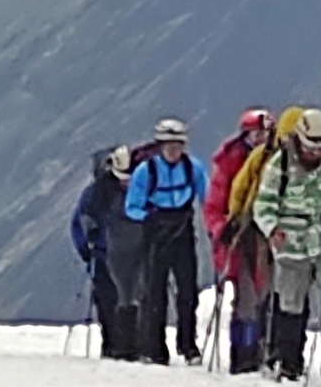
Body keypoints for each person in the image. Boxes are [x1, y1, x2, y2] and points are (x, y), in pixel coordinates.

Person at [251, 108, 321, 377]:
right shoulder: (278, 165)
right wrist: (272, 229)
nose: (316, 152)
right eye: (311, 146)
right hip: (290, 243)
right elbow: (263, 204)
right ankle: (288, 362)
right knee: (290, 303)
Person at [124, 120, 209, 364]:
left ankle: (188, 345)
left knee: (188, 292)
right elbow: (132, 206)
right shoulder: (145, 171)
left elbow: (206, 199)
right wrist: (148, 219)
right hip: (156, 237)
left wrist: (216, 227)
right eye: (169, 145)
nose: (173, 150)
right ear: (160, 146)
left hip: (183, 232)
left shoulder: (194, 169)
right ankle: (155, 349)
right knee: (154, 294)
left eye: (178, 145)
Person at [207, 106, 275, 371]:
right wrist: (222, 228)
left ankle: (258, 351)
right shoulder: (231, 164)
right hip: (240, 240)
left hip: (261, 238)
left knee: (264, 297)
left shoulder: (264, 162)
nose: (259, 140)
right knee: (248, 300)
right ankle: (243, 356)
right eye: (255, 135)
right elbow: (214, 205)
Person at [70, 146, 138, 357]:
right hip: (111, 255)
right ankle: (122, 346)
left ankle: (118, 346)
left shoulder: (93, 194)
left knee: (114, 301)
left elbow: (77, 225)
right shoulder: (99, 194)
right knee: (119, 300)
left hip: (108, 254)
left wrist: (86, 250)